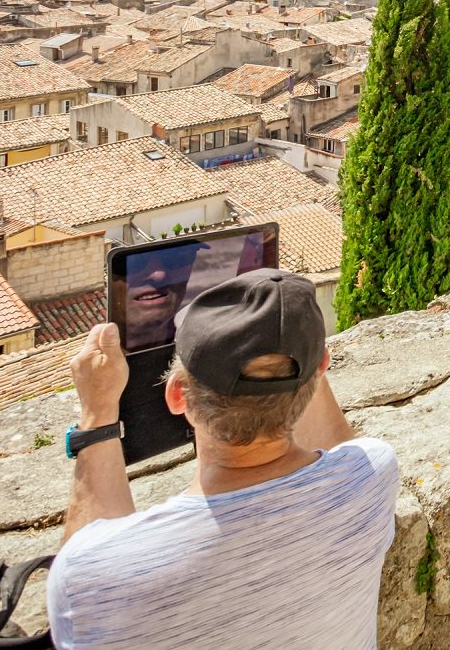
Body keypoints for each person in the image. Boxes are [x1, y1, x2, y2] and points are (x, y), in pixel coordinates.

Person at [47, 271, 399, 649]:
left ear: (178, 396)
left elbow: (89, 551)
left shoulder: (90, 575)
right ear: (321, 367)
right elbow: (335, 444)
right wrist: (286, 337)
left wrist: (98, 412)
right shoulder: (372, 475)